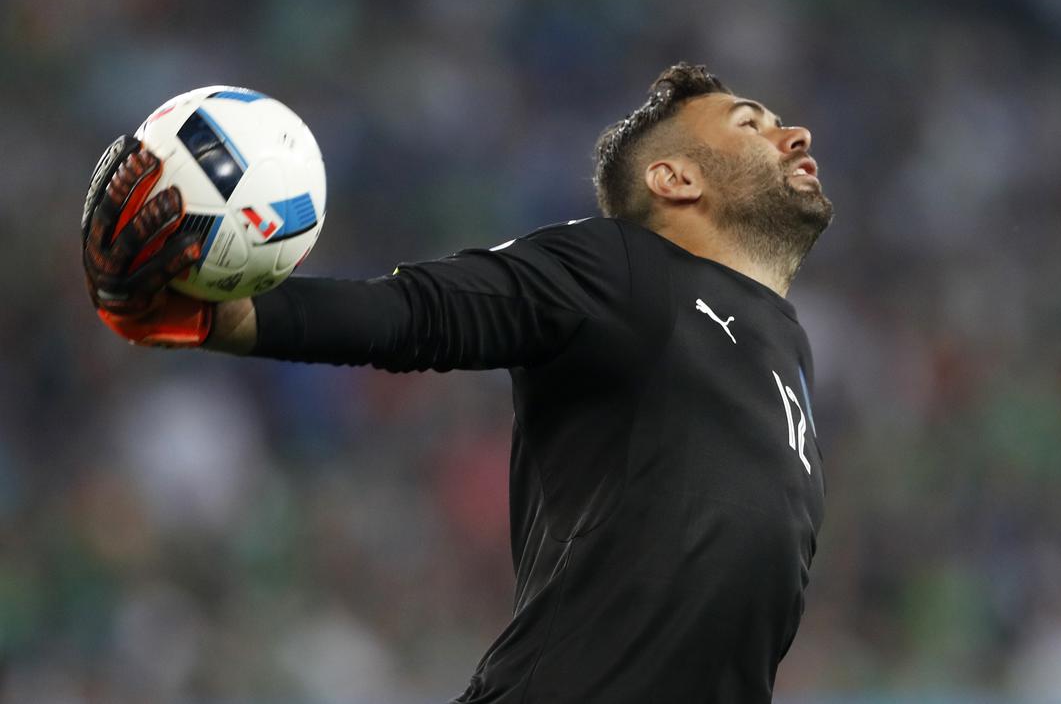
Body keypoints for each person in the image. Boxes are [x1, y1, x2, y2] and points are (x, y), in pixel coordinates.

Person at [81, 62, 834, 703]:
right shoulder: (626, 271)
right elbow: (418, 312)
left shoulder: (788, 351)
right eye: (749, 124)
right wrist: (214, 317)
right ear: (674, 179)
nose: (792, 134)